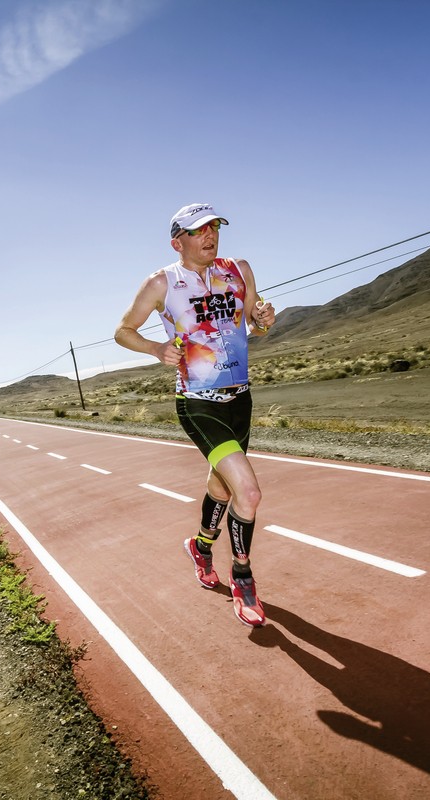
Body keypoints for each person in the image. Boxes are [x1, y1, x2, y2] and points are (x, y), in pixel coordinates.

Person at [114, 202, 276, 627]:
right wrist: (155, 349)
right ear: (178, 241)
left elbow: (252, 323)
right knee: (249, 491)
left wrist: (262, 321)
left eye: (214, 228)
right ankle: (243, 579)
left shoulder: (238, 269)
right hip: (198, 402)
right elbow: (122, 330)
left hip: (240, 398)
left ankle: (201, 547)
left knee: (222, 488)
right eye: (199, 230)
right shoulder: (161, 283)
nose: (210, 235)